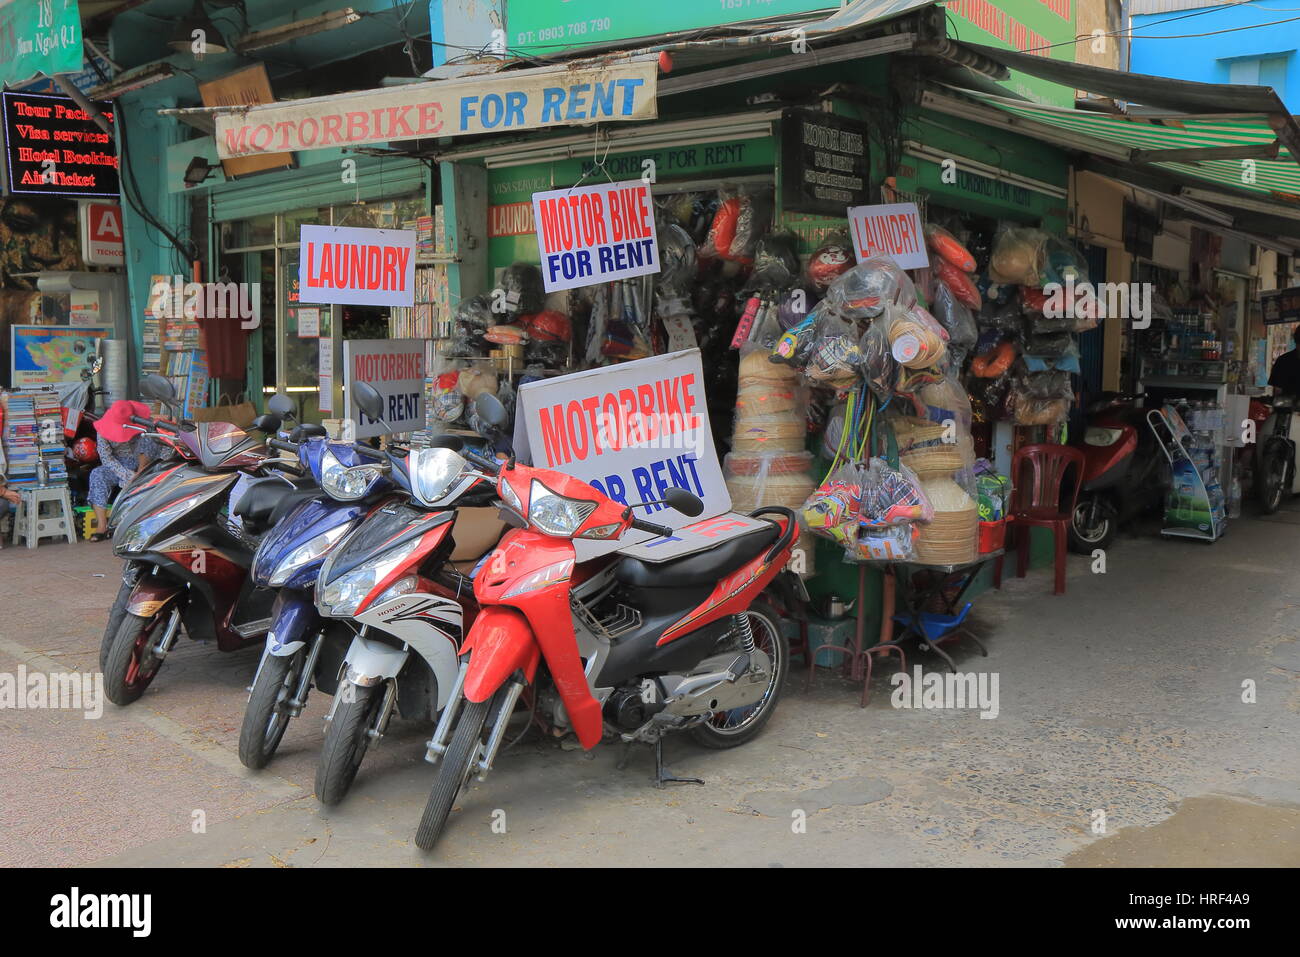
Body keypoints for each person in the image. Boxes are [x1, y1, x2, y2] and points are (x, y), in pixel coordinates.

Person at [88, 400, 159, 541]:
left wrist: (139, 473)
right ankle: (102, 526)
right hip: (118, 464)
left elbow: (153, 447)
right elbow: (106, 458)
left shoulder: (144, 423)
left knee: (148, 439)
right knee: (97, 474)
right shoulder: (103, 429)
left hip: (145, 463)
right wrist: (127, 476)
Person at [1268, 325, 1300, 397]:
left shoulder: (1283, 360)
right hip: (1287, 406)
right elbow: (1277, 391)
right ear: (1296, 342)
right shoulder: (1283, 361)